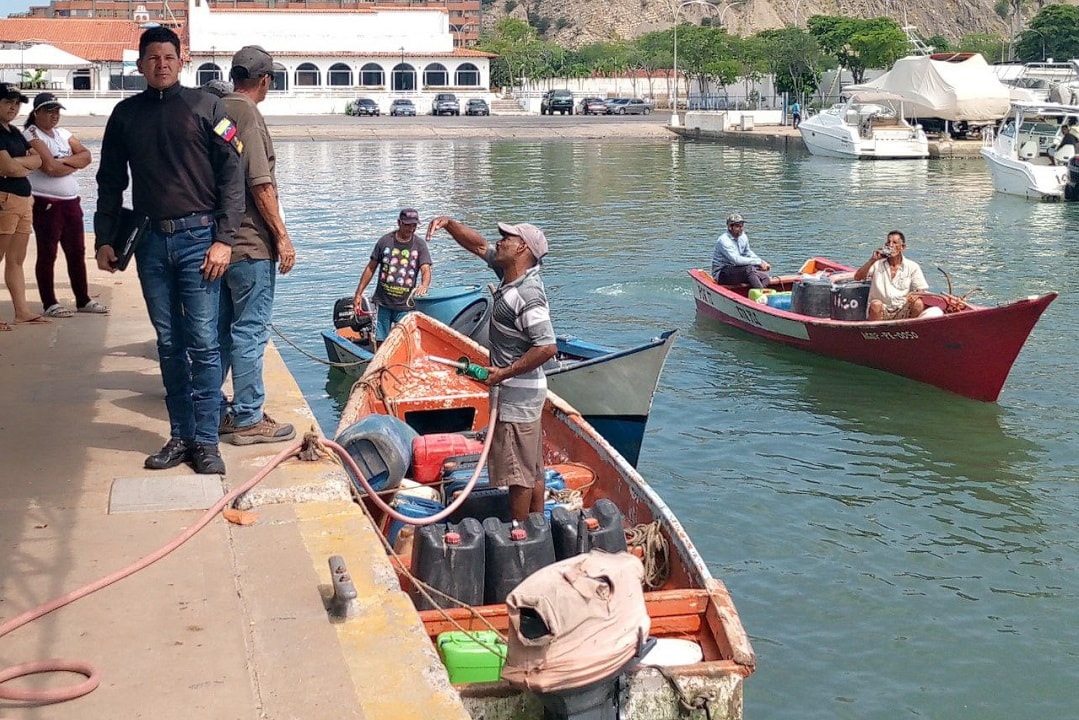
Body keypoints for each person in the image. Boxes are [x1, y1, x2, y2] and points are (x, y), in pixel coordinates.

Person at [94, 25, 245, 474]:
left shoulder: (208, 107)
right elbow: (109, 181)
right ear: (140, 64)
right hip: (151, 243)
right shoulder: (125, 114)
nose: (161, 64)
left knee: (203, 341)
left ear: (182, 62)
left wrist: (224, 239)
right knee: (168, 341)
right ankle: (180, 436)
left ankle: (207, 442)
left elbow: (232, 175)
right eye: (152, 58)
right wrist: (104, 238)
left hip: (200, 240)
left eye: (169, 57)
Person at [425, 216, 557, 522]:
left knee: (519, 473)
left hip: (518, 396)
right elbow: (478, 246)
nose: (499, 241)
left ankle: (521, 532)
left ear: (523, 249)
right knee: (531, 467)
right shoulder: (509, 274)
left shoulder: (527, 293)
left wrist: (504, 373)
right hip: (521, 392)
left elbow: (547, 346)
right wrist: (449, 224)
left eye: (507, 238)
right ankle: (536, 527)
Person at [216, 46, 297, 446]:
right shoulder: (247, 113)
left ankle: (213, 410)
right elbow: (260, 183)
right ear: (265, 80)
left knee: (219, 332)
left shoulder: (215, 109)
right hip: (250, 244)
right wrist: (282, 236)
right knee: (249, 331)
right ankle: (248, 417)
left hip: (219, 243)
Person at [24, 92, 107, 319]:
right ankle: (49, 302)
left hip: (71, 201)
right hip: (46, 202)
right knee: (48, 252)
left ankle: (83, 298)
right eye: (49, 111)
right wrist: (71, 164)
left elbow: (86, 156)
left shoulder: (63, 133)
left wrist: (62, 162)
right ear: (37, 113)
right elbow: (49, 168)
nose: (54, 115)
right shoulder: (32, 134)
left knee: (77, 252)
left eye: (57, 111)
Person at [0, 82, 46, 329]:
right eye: (8, 102)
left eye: (16, 104)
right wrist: (20, 166)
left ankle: (22, 311)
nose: (13, 107)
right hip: (4, 199)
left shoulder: (14, 132)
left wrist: (18, 165)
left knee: (17, 259)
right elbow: (7, 167)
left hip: (23, 199)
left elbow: (38, 159)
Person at [352, 208, 432, 345]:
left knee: (405, 341)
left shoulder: (420, 245)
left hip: (405, 305)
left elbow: (426, 269)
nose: (411, 229)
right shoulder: (385, 241)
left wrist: (424, 285)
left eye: (414, 225)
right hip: (383, 303)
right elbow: (371, 268)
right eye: (407, 225)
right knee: (380, 341)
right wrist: (358, 294)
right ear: (399, 223)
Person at [854, 230, 929, 321]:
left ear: (902, 247)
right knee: (876, 305)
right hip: (882, 309)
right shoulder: (877, 263)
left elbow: (921, 290)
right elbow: (858, 277)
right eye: (888, 243)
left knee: (918, 303)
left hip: (901, 308)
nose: (891, 245)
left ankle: (910, 329)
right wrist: (872, 260)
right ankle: (876, 329)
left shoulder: (912, 266)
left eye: (895, 243)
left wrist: (916, 295)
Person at [711, 213, 771, 288]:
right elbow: (736, 260)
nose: (741, 228)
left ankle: (755, 292)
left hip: (738, 270)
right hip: (722, 273)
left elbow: (747, 253)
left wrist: (761, 262)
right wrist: (758, 262)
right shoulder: (724, 240)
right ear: (730, 227)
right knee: (749, 269)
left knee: (765, 277)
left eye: (742, 226)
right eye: (737, 226)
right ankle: (760, 293)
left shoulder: (743, 236)